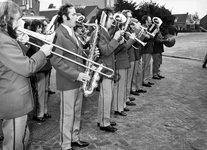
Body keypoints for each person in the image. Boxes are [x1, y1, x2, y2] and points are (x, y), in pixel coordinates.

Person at [0, 1, 52, 150]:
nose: (20, 23)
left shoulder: (6, 38)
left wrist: (24, 44)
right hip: (14, 101)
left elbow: (13, 61)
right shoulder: (3, 41)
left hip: (17, 99)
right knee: (15, 144)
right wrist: (43, 52)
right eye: (17, 19)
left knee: (22, 138)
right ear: (5, 20)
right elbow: (27, 67)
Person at [50, 4, 90, 150]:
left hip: (78, 80)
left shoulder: (73, 32)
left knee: (76, 112)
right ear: (65, 17)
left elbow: (75, 54)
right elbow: (55, 60)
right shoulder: (58, 34)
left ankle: (74, 138)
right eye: (73, 14)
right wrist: (77, 74)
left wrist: (89, 53)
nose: (76, 17)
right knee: (67, 114)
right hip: (68, 80)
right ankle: (65, 144)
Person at [95, 8, 123, 132]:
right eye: (111, 18)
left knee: (104, 96)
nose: (113, 21)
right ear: (104, 18)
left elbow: (110, 51)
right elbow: (105, 51)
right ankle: (104, 122)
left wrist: (117, 42)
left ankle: (101, 119)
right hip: (105, 68)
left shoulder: (104, 31)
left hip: (108, 67)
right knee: (107, 96)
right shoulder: (100, 32)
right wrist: (115, 39)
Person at [28, 19, 53, 122]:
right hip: (40, 68)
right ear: (34, 28)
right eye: (38, 27)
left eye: (41, 27)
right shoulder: (32, 39)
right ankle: (39, 113)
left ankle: (45, 111)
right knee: (40, 91)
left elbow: (50, 52)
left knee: (46, 90)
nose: (40, 29)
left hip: (47, 66)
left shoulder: (42, 38)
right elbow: (36, 51)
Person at [141, 15, 154, 87]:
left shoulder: (147, 28)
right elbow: (144, 39)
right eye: (149, 20)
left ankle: (147, 79)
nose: (151, 22)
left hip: (148, 49)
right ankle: (145, 81)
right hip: (145, 50)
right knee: (146, 66)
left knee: (148, 65)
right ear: (146, 21)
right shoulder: (143, 28)